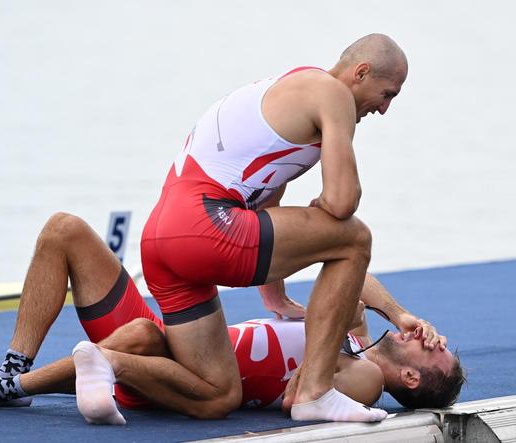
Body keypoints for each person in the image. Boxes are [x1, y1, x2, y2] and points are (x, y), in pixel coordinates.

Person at [0, 213, 464, 423]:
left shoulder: (366, 381)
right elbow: (354, 274)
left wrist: (341, 319)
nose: (432, 337)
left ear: (411, 377)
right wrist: (397, 311)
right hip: (175, 338)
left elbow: (303, 395)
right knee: (65, 231)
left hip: (180, 379)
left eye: (435, 348)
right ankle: (13, 371)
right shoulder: (356, 339)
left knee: (136, 337)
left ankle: (7, 388)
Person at [128, 32, 411, 422]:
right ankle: (314, 391)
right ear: (360, 72)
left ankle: (95, 362)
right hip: (204, 223)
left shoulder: (293, 90)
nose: (384, 109)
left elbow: (267, 198)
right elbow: (343, 203)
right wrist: (328, 207)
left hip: (160, 236)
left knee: (217, 393)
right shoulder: (333, 95)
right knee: (354, 239)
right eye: (388, 94)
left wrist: (274, 298)